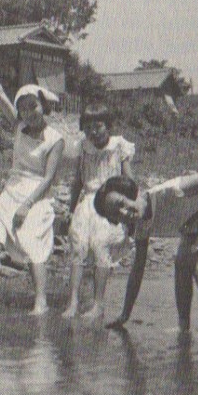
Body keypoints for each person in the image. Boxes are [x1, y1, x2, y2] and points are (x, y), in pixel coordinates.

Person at [0, 38, 65, 315]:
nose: (28, 112)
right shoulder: (19, 126)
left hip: (38, 194)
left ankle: (41, 301)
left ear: (42, 106)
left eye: (33, 106)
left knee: (34, 242)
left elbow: (48, 179)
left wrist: (26, 206)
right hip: (12, 189)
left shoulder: (55, 138)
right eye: (23, 107)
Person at [93, 171, 198, 333]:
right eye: (117, 215)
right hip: (195, 217)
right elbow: (137, 270)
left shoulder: (165, 192)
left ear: (130, 194)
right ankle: (183, 326)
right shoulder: (140, 226)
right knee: (181, 262)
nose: (124, 212)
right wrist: (125, 315)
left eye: (121, 203)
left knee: (196, 260)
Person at [61, 104, 135, 320]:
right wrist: (70, 208)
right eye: (89, 127)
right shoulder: (83, 147)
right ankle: (73, 301)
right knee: (79, 244)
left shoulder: (120, 146)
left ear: (108, 126)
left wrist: (129, 208)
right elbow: (78, 181)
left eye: (99, 126)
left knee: (100, 243)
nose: (94, 132)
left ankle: (98, 304)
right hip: (88, 202)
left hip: (111, 202)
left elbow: (129, 180)